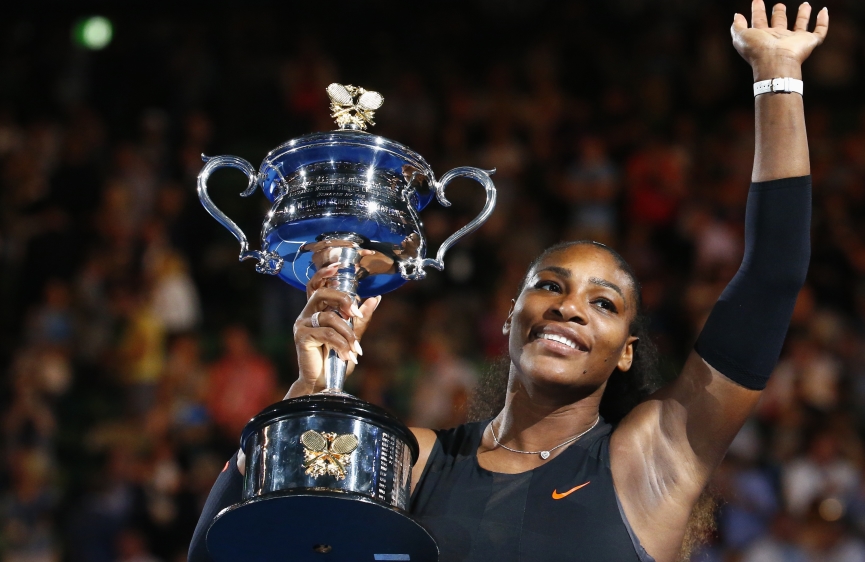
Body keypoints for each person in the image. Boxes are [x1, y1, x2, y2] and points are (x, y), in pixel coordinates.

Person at [189, 2, 827, 560]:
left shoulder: (655, 456)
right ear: (510, 316)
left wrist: (778, 76)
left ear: (626, 350)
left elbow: (772, 276)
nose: (569, 308)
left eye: (603, 303)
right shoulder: (411, 463)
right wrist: (307, 397)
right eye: (549, 286)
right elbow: (223, 550)